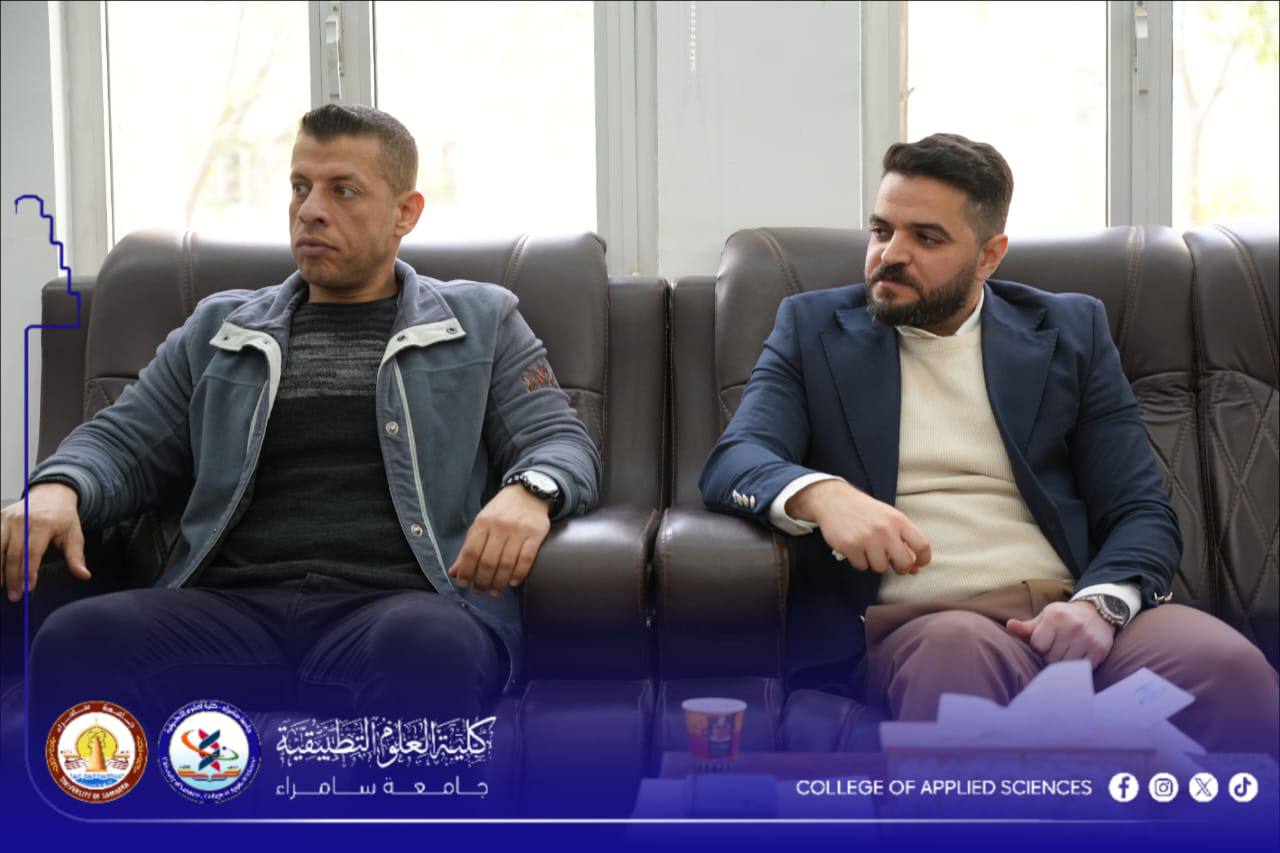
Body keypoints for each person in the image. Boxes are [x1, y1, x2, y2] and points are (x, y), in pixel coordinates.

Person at [2, 104, 601, 729]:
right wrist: (59, 487)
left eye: (343, 190)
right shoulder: (220, 328)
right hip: (228, 609)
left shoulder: (481, 321)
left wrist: (530, 492)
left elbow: (560, 441)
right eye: (299, 187)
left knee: (428, 648)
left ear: (405, 212)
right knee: (78, 638)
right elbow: (120, 442)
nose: (310, 209)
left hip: (401, 607)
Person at [699, 133, 1278, 756]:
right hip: (930, 624)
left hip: (1071, 611)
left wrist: (1100, 607)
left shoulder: (1070, 330)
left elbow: (1140, 510)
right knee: (957, 670)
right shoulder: (812, 327)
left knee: (1228, 671)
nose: (890, 255)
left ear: (989, 256)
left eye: (927, 238)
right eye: (881, 230)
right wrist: (825, 495)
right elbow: (736, 459)